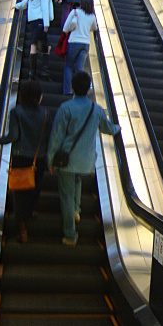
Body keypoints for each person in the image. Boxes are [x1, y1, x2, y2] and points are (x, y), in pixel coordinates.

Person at [48, 71, 121, 246]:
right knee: (77, 180)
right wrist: (119, 127)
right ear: (89, 89)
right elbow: (108, 129)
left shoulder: (65, 108)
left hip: (66, 161)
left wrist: (50, 159)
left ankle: (70, 235)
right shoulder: (96, 109)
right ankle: (76, 209)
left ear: (72, 87)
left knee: (66, 194)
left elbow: (56, 137)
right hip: (87, 162)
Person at [0, 81, 52, 243]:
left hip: (20, 157)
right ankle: (30, 211)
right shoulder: (46, 114)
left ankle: (22, 227)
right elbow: (48, 138)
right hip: (39, 157)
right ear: (38, 97)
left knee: (19, 190)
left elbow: (13, 136)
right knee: (34, 187)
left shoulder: (16, 112)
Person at [15, 0, 54, 80]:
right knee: (47, 47)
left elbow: (24, 3)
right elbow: (44, 8)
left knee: (34, 45)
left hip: (32, 22)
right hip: (41, 21)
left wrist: (16, 6)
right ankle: (44, 72)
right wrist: (46, 24)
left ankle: (32, 73)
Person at [62, 0, 98, 95]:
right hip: (85, 44)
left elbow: (65, 28)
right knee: (79, 68)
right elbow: (94, 28)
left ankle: (68, 90)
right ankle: (78, 92)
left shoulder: (75, 12)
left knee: (69, 66)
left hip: (74, 42)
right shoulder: (91, 16)